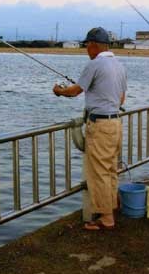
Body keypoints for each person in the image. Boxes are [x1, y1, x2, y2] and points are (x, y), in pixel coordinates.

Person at [53, 27, 127, 230]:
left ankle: (106, 219)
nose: (86, 48)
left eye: (87, 45)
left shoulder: (95, 64)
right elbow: (121, 98)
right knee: (111, 169)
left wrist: (59, 90)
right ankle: (111, 207)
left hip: (101, 125)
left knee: (99, 172)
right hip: (116, 123)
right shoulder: (119, 65)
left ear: (93, 45)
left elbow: (75, 91)